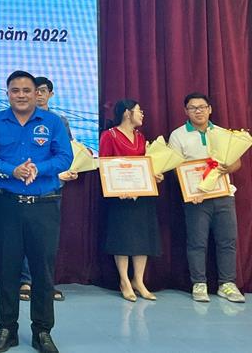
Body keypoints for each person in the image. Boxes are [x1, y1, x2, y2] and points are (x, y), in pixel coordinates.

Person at [0, 71, 73, 353]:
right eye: (15, 90)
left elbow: (65, 157)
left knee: (42, 271)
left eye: (26, 90)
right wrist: (12, 170)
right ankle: (6, 328)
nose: (21, 95)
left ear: (36, 93)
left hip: (44, 205)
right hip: (7, 204)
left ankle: (42, 331)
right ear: (8, 93)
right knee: (7, 269)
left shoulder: (52, 122)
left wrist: (37, 169)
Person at [168, 93, 245, 303]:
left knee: (227, 241)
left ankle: (227, 284)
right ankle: (199, 283)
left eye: (202, 107)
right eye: (193, 108)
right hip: (196, 198)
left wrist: (228, 167)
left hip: (223, 194)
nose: (198, 111)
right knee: (197, 242)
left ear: (210, 109)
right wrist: (190, 191)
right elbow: (175, 167)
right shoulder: (178, 135)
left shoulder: (222, 133)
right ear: (186, 111)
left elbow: (236, 163)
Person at [100, 99, 163, 303]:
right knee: (123, 238)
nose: (142, 114)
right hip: (120, 197)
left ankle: (139, 280)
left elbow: (145, 165)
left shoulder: (141, 137)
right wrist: (117, 188)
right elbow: (104, 164)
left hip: (142, 195)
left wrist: (154, 174)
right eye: (139, 111)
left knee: (143, 238)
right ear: (127, 113)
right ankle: (124, 281)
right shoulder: (109, 135)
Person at [18, 77, 72, 303]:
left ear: (51, 94)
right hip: (22, 186)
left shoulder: (59, 121)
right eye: (35, 91)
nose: (38, 95)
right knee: (24, 236)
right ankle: (25, 281)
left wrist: (71, 169)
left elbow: (69, 153)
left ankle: (46, 283)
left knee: (47, 238)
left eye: (42, 91)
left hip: (51, 187)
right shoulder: (20, 119)